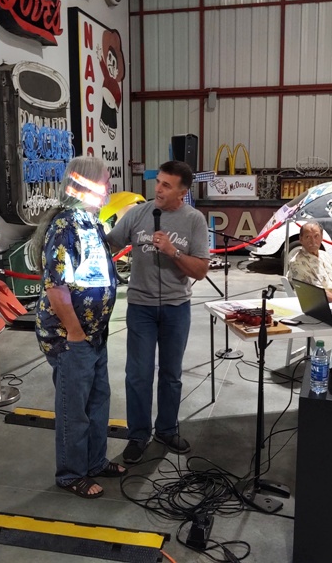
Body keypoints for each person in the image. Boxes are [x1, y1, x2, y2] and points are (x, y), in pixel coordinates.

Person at [30, 156, 125, 499]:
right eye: (104, 181)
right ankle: (71, 474)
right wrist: (74, 332)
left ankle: (95, 461)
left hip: (92, 334)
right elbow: (57, 287)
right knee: (75, 408)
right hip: (70, 336)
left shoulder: (91, 223)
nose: (109, 188)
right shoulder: (65, 226)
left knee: (98, 401)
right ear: (82, 184)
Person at [106, 160, 210, 464]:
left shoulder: (194, 221)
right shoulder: (139, 213)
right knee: (137, 374)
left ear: (182, 192)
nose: (158, 189)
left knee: (171, 374)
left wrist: (173, 252)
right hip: (141, 308)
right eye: (158, 182)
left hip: (177, 309)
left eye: (166, 185)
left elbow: (201, 270)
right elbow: (110, 243)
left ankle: (166, 429)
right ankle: (138, 435)